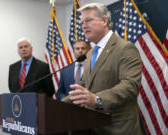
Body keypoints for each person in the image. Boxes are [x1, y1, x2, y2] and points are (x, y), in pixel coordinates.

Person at [62, 3, 144, 135]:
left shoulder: (125, 48)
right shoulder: (89, 54)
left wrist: (97, 99)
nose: (83, 26)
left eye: (88, 20)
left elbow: (130, 86)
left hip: (118, 128)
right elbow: (84, 85)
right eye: (82, 22)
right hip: (93, 126)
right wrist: (57, 105)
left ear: (104, 21)